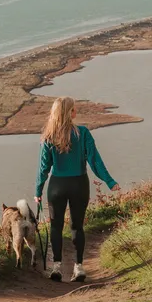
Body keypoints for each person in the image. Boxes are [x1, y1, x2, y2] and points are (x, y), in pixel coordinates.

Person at [33, 96, 120, 282]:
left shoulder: (48, 137)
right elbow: (95, 161)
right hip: (79, 184)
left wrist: (38, 191)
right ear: (69, 113)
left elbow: (43, 168)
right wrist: (110, 181)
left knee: (55, 227)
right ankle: (79, 267)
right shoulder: (83, 133)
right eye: (74, 109)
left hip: (57, 186)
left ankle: (56, 267)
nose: (76, 112)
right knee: (77, 226)